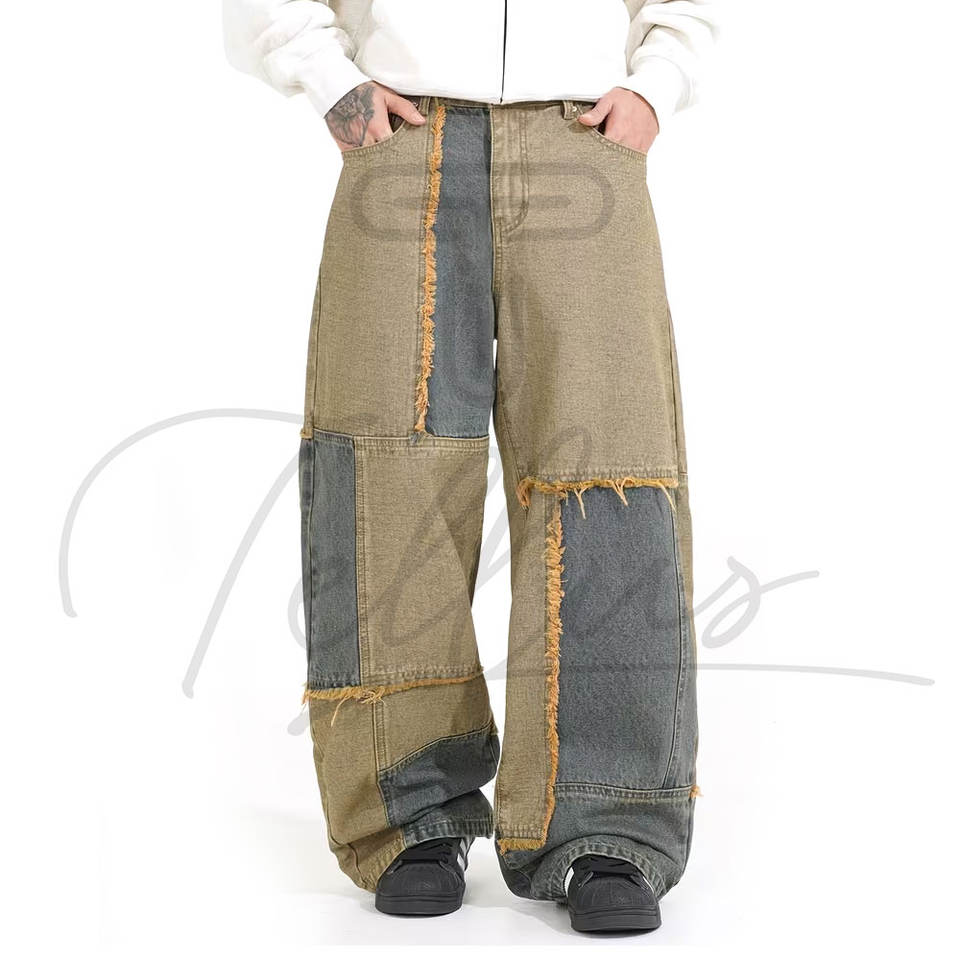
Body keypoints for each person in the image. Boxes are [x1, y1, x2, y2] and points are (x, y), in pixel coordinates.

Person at [224, 0, 715, 934]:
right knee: (384, 471)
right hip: (402, 136)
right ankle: (407, 811)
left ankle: (608, 819)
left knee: (609, 475)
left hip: (585, 139)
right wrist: (327, 76)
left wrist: (660, 83)